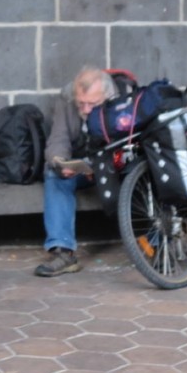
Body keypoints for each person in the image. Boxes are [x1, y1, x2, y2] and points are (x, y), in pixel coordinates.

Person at [35, 65, 116, 277]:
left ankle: (155, 242)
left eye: (93, 104)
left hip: (111, 166)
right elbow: (58, 138)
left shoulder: (118, 103)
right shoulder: (67, 101)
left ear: (106, 96)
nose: (87, 109)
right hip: (81, 166)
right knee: (53, 174)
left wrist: (99, 167)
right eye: (82, 103)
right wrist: (60, 162)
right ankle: (63, 252)